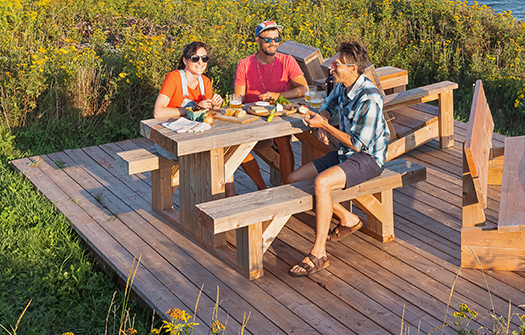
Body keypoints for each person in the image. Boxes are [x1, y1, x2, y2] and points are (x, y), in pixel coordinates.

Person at [286, 40, 389, 277]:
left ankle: (319, 253)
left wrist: (325, 126)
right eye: (334, 62)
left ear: (353, 68)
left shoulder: (370, 97)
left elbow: (358, 143)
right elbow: (327, 104)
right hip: (345, 154)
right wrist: (323, 118)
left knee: (321, 183)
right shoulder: (343, 86)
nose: (332, 67)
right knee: (293, 179)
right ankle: (347, 217)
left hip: (368, 158)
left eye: (337, 64)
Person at [234, 20, 309, 184]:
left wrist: (279, 95)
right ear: (258, 40)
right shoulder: (244, 64)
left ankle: (288, 186)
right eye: (268, 39)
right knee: (236, 148)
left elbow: (304, 89)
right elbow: (238, 98)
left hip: (278, 113)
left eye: (276, 39)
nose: (273, 43)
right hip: (253, 116)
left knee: (283, 140)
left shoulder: (287, 61)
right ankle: (261, 186)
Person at [153, 41, 224, 119]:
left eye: (204, 58)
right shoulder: (174, 78)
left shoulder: (206, 82)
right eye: (195, 58)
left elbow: (207, 113)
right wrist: (195, 108)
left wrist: (216, 106)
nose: (200, 62)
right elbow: (158, 112)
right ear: (185, 60)